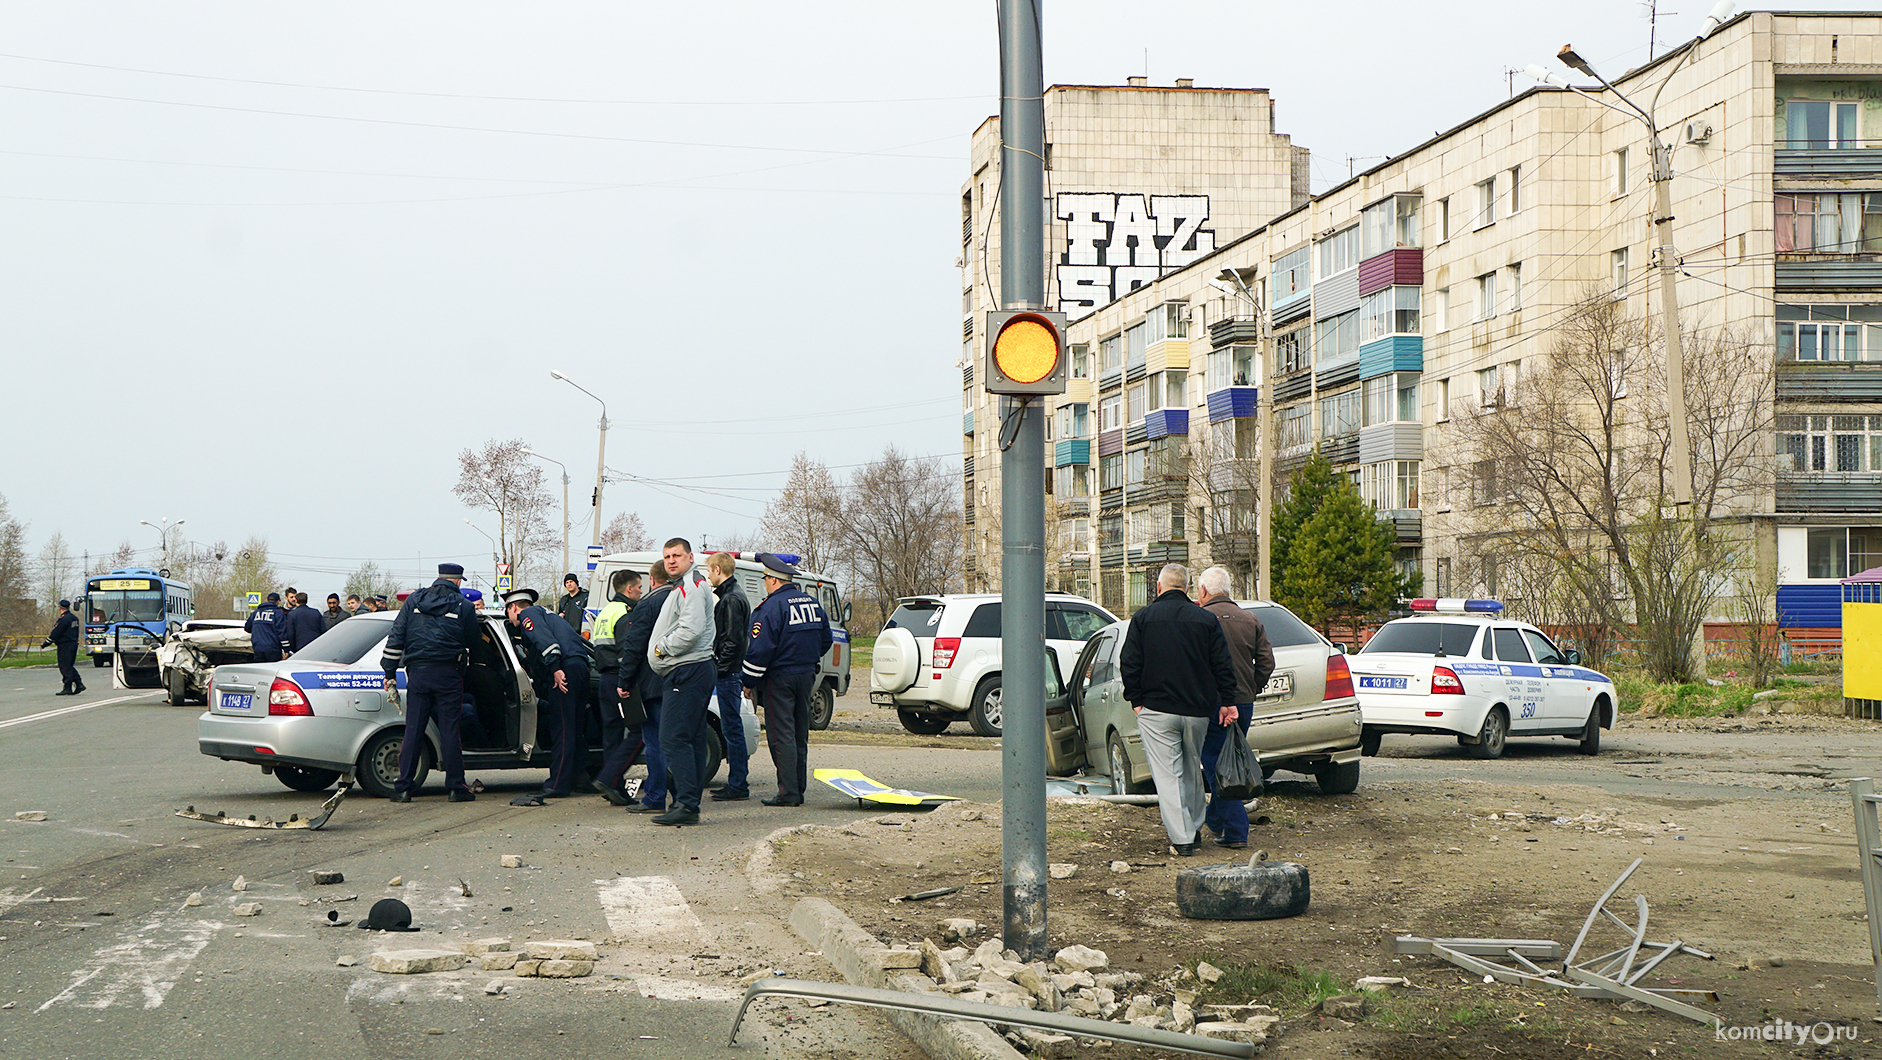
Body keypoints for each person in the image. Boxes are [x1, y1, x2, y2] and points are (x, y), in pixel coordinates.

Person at [1119, 563, 1239, 857]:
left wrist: (1136, 700)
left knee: (1168, 775)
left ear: (1159, 587)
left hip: (1157, 710)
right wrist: (1227, 700)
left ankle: (1183, 838)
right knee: (1190, 769)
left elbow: (1129, 662)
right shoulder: (1204, 619)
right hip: (1197, 710)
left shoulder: (1143, 618)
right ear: (1187, 588)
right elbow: (1222, 664)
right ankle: (1195, 826)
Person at [381, 563, 480, 803]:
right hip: (449, 674)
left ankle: (403, 787)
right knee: (449, 730)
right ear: (457, 582)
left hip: (418, 674)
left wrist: (389, 672)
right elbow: (475, 643)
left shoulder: (413, 601)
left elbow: (396, 637)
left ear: (438, 578)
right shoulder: (464, 606)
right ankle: (456, 788)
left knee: (414, 729)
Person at [742, 553, 832, 807]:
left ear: (773, 580)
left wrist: (748, 681)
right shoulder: (812, 603)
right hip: (806, 676)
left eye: (765, 579)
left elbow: (759, 650)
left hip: (778, 679)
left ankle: (788, 793)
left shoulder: (770, 607)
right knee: (798, 732)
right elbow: (825, 640)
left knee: (781, 735)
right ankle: (797, 788)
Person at [1195, 566, 1276, 851]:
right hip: (1244, 702)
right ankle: (1215, 820)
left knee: (1217, 764)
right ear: (1228, 590)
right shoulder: (1250, 619)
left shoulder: (1202, 619)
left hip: (1213, 704)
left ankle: (1236, 830)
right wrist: (1252, 687)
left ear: (1204, 591)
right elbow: (1267, 662)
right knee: (1228, 760)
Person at [646, 538, 715, 826]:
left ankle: (686, 804)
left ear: (690, 557)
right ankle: (689, 802)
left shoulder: (693, 586)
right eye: (667, 557)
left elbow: (692, 629)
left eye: (677, 555)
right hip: (691, 670)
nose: (671, 561)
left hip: (687, 669)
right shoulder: (687, 585)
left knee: (673, 737)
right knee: (693, 738)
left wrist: (661, 649)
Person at [503, 587, 591, 799]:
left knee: (563, 728)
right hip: (580, 668)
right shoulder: (547, 614)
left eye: (508, 612)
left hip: (563, 671)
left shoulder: (528, 615)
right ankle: (580, 778)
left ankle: (558, 784)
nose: (510, 617)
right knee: (574, 728)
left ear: (514, 607)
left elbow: (547, 643)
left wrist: (555, 669)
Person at [613, 561, 672, 813]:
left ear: (652, 579)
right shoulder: (682, 598)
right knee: (677, 741)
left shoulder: (647, 604)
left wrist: (624, 681)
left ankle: (655, 797)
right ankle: (682, 797)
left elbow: (634, 647)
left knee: (655, 742)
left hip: (651, 682)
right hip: (680, 681)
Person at [589, 567, 642, 804]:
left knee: (611, 735)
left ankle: (615, 790)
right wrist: (629, 680)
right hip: (622, 681)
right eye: (640, 587)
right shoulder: (625, 612)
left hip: (605, 680)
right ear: (629, 589)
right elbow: (626, 652)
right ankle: (609, 778)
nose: (641, 592)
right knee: (640, 732)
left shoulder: (605, 611)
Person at [706, 551, 753, 802]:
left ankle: (738, 784)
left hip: (728, 673)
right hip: (731, 671)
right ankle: (737, 782)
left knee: (732, 729)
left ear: (717, 570)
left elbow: (732, 640)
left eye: (709, 571)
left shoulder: (731, 599)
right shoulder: (734, 595)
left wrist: (720, 669)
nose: (708, 576)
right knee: (731, 727)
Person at [42, 600, 83, 696]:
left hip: (65, 645)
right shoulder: (74, 618)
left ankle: (67, 687)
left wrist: (46, 643)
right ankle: (78, 683)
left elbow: (56, 632)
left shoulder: (64, 619)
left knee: (64, 666)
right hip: (73, 644)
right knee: (69, 665)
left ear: (60, 608)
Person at [245, 592, 288, 663]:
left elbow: (247, 628)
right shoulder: (278, 613)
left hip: (257, 648)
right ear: (278, 602)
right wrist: (286, 649)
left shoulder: (256, 612)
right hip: (273, 649)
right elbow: (282, 633)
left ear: (267, 600)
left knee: (259, 671)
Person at [284, 591, 326, 655]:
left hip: (300, 647)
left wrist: (293, 649)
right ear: (306, 601)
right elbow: (323, 631)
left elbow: (290, 634)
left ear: (296, 601)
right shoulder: (316, 612)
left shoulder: (292, 614)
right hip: (315, 646)